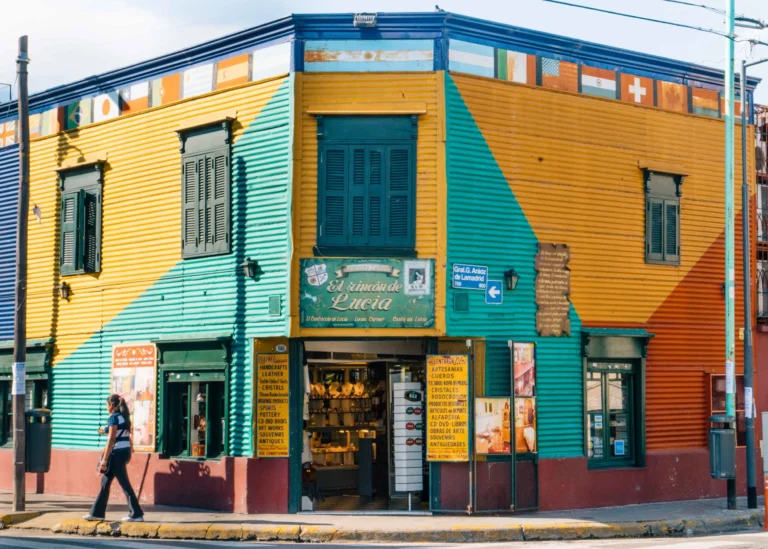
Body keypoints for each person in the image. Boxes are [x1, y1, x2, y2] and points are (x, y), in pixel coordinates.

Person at [84, 394, 144, 522]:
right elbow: (124, 436)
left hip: (116, 454)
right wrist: (129, 453)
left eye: (107, 405)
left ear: (111, 405)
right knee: (105, 484)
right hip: (123, 451)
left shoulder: (113, 418)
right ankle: (97, 513)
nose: (106, 407)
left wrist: (104, 459)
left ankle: (136, 514)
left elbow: (111, 439)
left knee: (124, 484)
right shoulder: (123, 417)